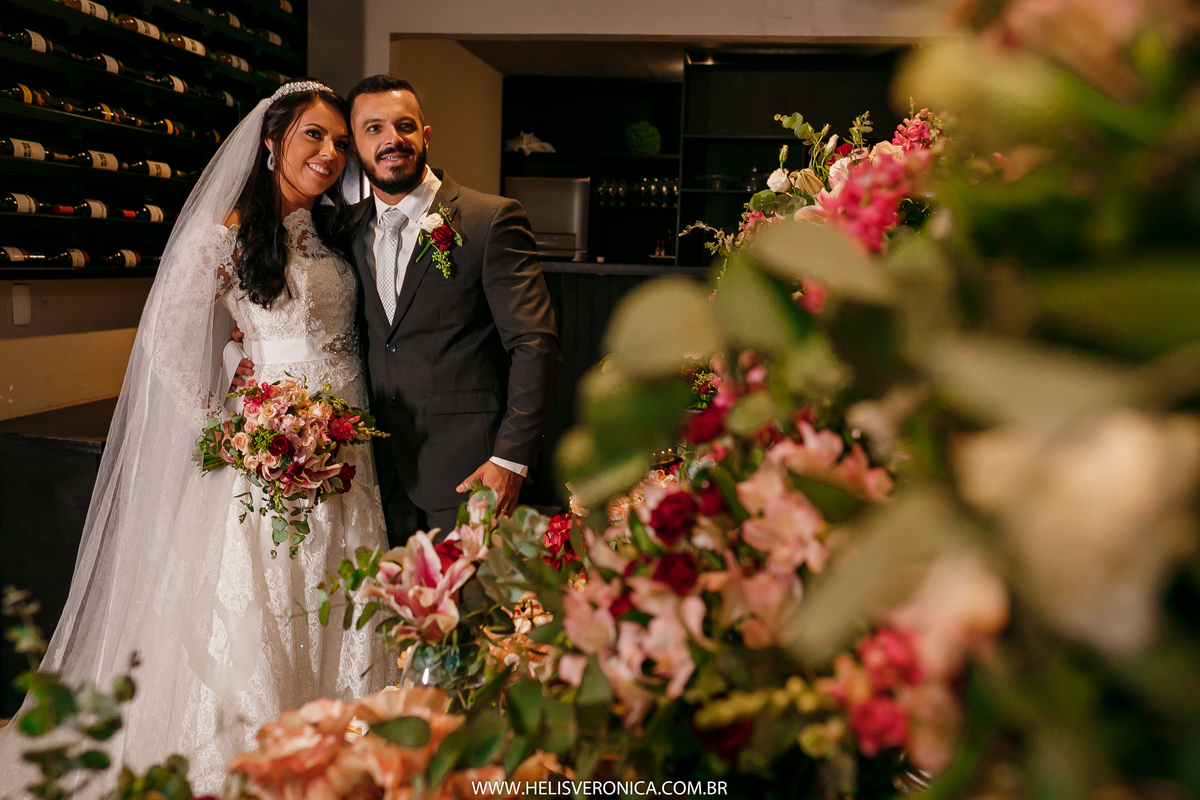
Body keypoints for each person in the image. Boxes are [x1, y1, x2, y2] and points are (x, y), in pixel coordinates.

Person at [0, 80, 393, 797]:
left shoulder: (331, 232)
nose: (331, 153)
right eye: (313, 135)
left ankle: (339, 747)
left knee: (339, 581)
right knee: (267, 593)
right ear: (271, 142)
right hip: (274, 448)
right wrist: (233, 428)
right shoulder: (228, 232)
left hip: (348, 447)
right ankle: (255, 755)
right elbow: (167, 341)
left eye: (340, 142)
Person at [251, 75, 561, 545]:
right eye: (373, 128)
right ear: (355, 148)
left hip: (469, 474)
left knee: (471, 594)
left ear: (425, 135)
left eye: (404, 125)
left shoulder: (490, 219)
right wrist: (244, 342)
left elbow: (535, 345)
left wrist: (510, 460)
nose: (391, 139)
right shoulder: (341, 229)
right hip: (369, 474)